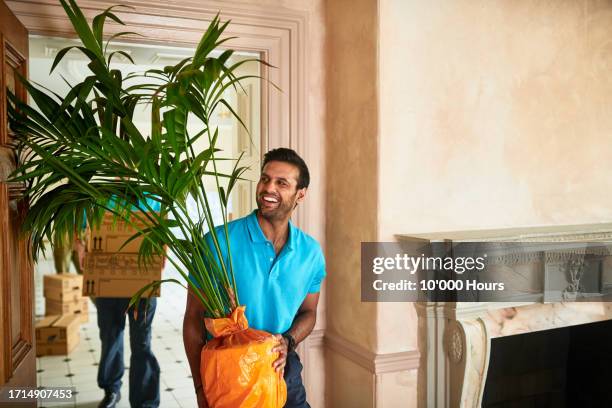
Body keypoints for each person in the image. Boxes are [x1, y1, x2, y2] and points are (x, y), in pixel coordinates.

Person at [183, 148, 326, 408]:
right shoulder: (217, 243)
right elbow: (193, 318)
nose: (268, 187)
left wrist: (288, 340)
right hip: (230, 372)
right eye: (265, 178)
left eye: (281, 183)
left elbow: (309, 313)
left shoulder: (311, 253)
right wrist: (200, 388)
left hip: (283, 369)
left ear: (300, 194)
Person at [96, 197, 162, 408]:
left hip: (143, 280)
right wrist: (80, 247)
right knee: (110, 336)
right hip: (107, 279)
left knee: (142, 341)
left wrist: (162, 255)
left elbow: (162, 233)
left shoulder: (152, 196)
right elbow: (83, 230)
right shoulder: (99, 196)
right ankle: (111, 391)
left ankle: (144, 402)